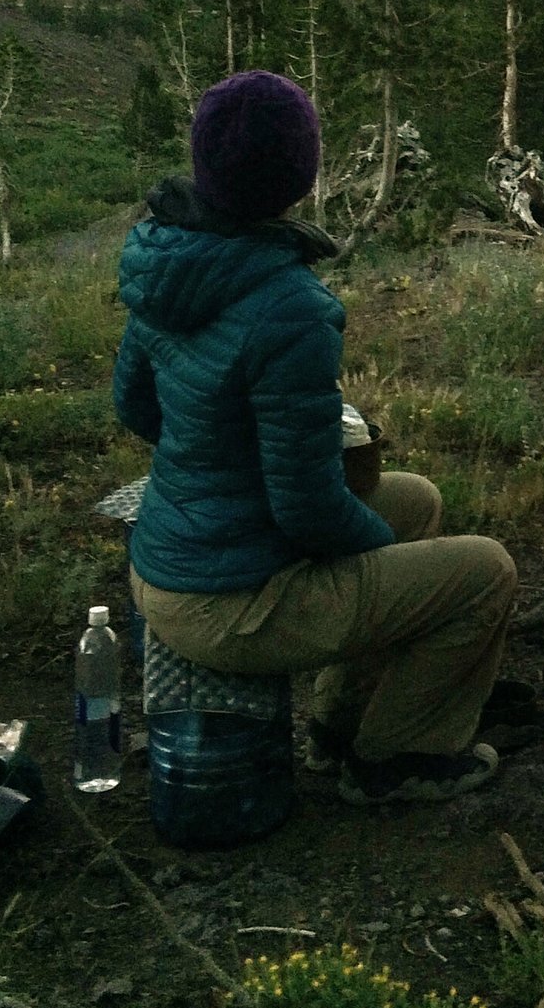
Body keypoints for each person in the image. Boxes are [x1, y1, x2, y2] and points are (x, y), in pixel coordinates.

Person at [115, 70, 517, 806]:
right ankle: (395, 757)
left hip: (169, 559)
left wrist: (218, 456)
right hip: (227, 601)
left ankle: (337, 723)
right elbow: (307, 510)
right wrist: (371, 543)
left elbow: (135, 406)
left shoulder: (166, 256)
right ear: (299, 176)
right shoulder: (289, 306)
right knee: (485, 572)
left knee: (416, 502)